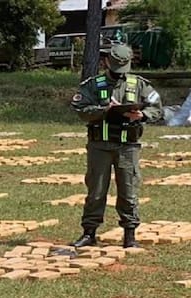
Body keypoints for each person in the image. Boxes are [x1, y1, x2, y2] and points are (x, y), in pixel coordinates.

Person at [69, 43, 162, 248]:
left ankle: (130, 235)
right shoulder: (93, 84)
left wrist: (142, 115)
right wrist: (104, 110)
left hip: (127, 147)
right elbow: (80, 108)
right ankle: (89, 233)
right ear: (106, 62)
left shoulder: (139, 84)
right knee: (96, 190)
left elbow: (157, 107)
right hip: (99, 146)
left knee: (129, 191)